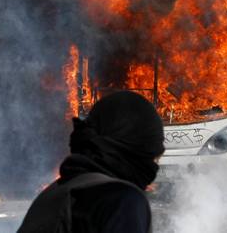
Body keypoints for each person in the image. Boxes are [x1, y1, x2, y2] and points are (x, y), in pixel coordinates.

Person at [18, 91, 165, 233]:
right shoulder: (122, 201)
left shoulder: (51, 194)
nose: (155, 163)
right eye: (153, 153)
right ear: (137, 148)